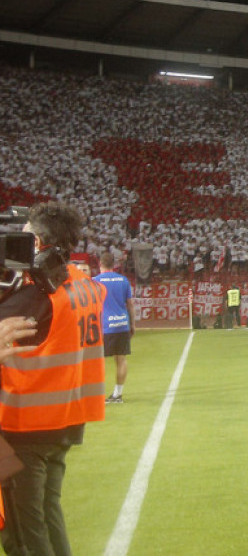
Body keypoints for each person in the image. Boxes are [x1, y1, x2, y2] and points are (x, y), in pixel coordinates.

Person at [0, 202, 106, 556]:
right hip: (67, 418)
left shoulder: (35, 294)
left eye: (25, 233)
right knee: (49, 512)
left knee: (28, 531)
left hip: (26, 423)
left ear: (40, 241)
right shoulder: (86, 284)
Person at [93, 251, 134, 404]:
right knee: (121, 360)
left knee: (97, 361)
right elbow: (130, 304)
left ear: (100, 263)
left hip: (104, 326)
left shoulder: (95, 281)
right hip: (122, 324)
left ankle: (97, 395)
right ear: (114, 264)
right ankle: (117, 394)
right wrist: (133, 324)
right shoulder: (123, 280)